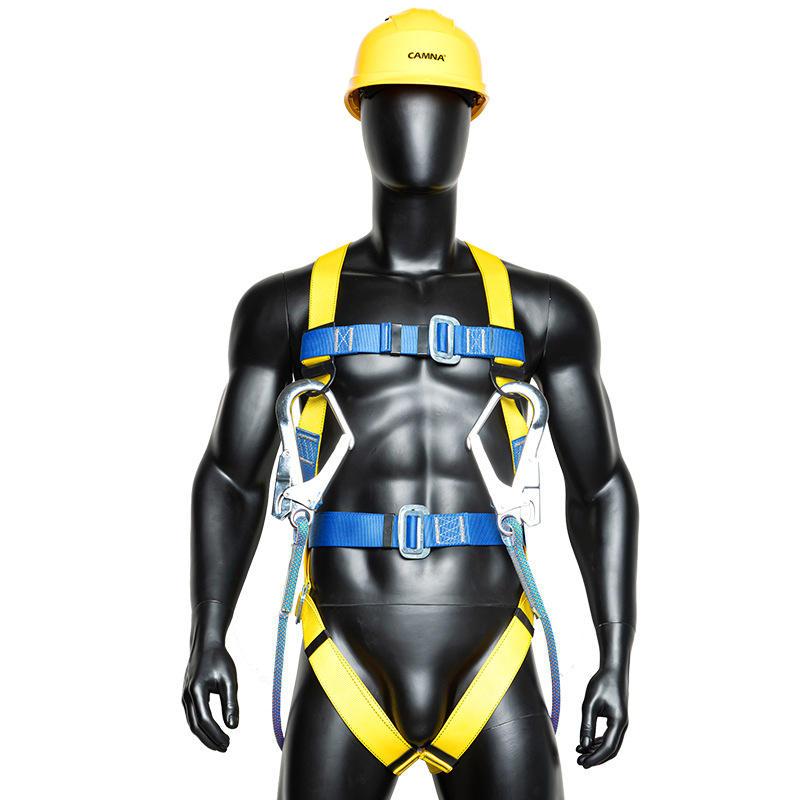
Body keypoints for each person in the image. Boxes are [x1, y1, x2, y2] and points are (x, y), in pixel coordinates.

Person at [182, 10, 638, 799]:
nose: (418, 122)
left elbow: (601, 488)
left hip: (491, 658)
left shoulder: (543, 311)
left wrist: (618, 656)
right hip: (346, 658)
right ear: (362, 115)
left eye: (440, 102)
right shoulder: (287, 309)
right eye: (395, 100)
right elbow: (230, 477)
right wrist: (207, 634)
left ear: (471, 118)